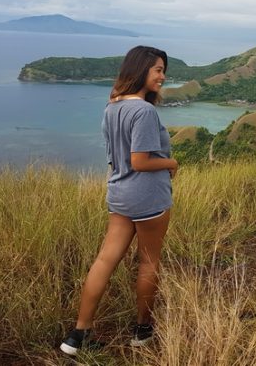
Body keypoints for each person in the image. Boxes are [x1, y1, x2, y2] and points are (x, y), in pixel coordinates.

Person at [60, 46, 178, 356]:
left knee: (105, 260)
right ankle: (142, 330)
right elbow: (140, 161)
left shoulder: (111, 107)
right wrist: (171, 163)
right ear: (141, 70)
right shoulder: (143, 111)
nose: (163, 76)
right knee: (149, 261)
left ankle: (78, 334)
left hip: (119, 193)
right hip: (147, 196)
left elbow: (119, 158)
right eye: (158, 70)